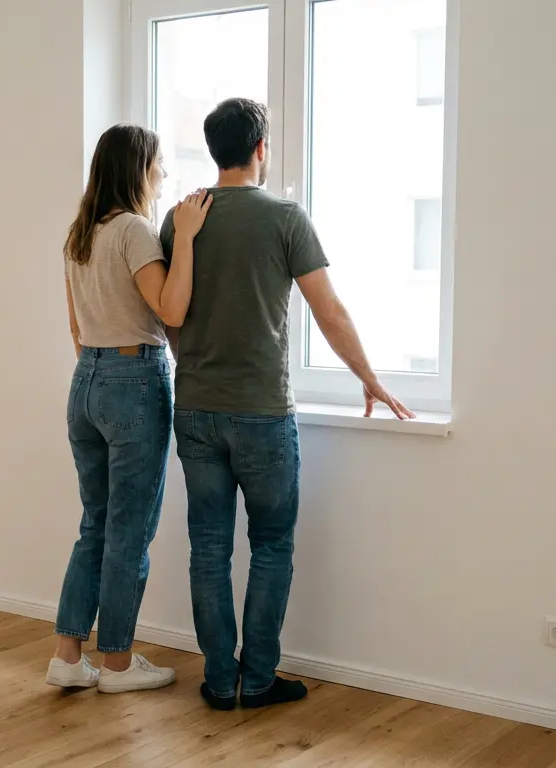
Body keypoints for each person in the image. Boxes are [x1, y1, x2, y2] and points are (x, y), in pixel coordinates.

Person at [161, 98, 414, 711]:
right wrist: (370, 377)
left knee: (208, 548)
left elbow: (168, 313)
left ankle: (220, 681)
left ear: (213, 148)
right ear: (261, 149)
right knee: (271, 544)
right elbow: (329, 311)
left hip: (195, 407)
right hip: (263, 413)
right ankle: (259, 678)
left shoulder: (180, 219)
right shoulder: (284, 217)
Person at [45, 124, 213, 694]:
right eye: (159, 164)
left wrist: (99, 370)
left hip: (85, 379)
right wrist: (185, 238)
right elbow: (172, 311)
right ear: (137, 168)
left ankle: (69, 655)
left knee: (95, 522)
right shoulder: (135, 231)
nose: (164, 175)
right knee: (129, 531)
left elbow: (75, 326)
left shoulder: (80, 235)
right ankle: (116, 663)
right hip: (133, 377)